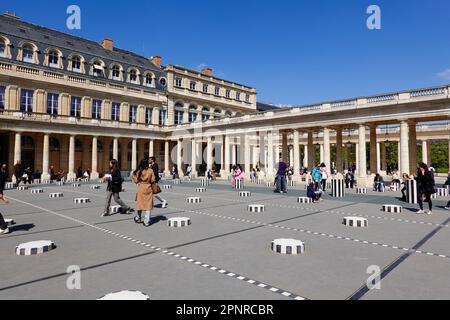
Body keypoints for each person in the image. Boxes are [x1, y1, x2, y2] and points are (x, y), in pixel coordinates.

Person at [132, 158, 156, 227]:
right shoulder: (150, 170)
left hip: (141, 187)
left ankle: (138, 218)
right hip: (148, 187)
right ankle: (146, 221)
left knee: (140, 203)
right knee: (148, 205)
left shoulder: (139, 171)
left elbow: (134, 176)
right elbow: (153, 179)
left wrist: (137, 182)